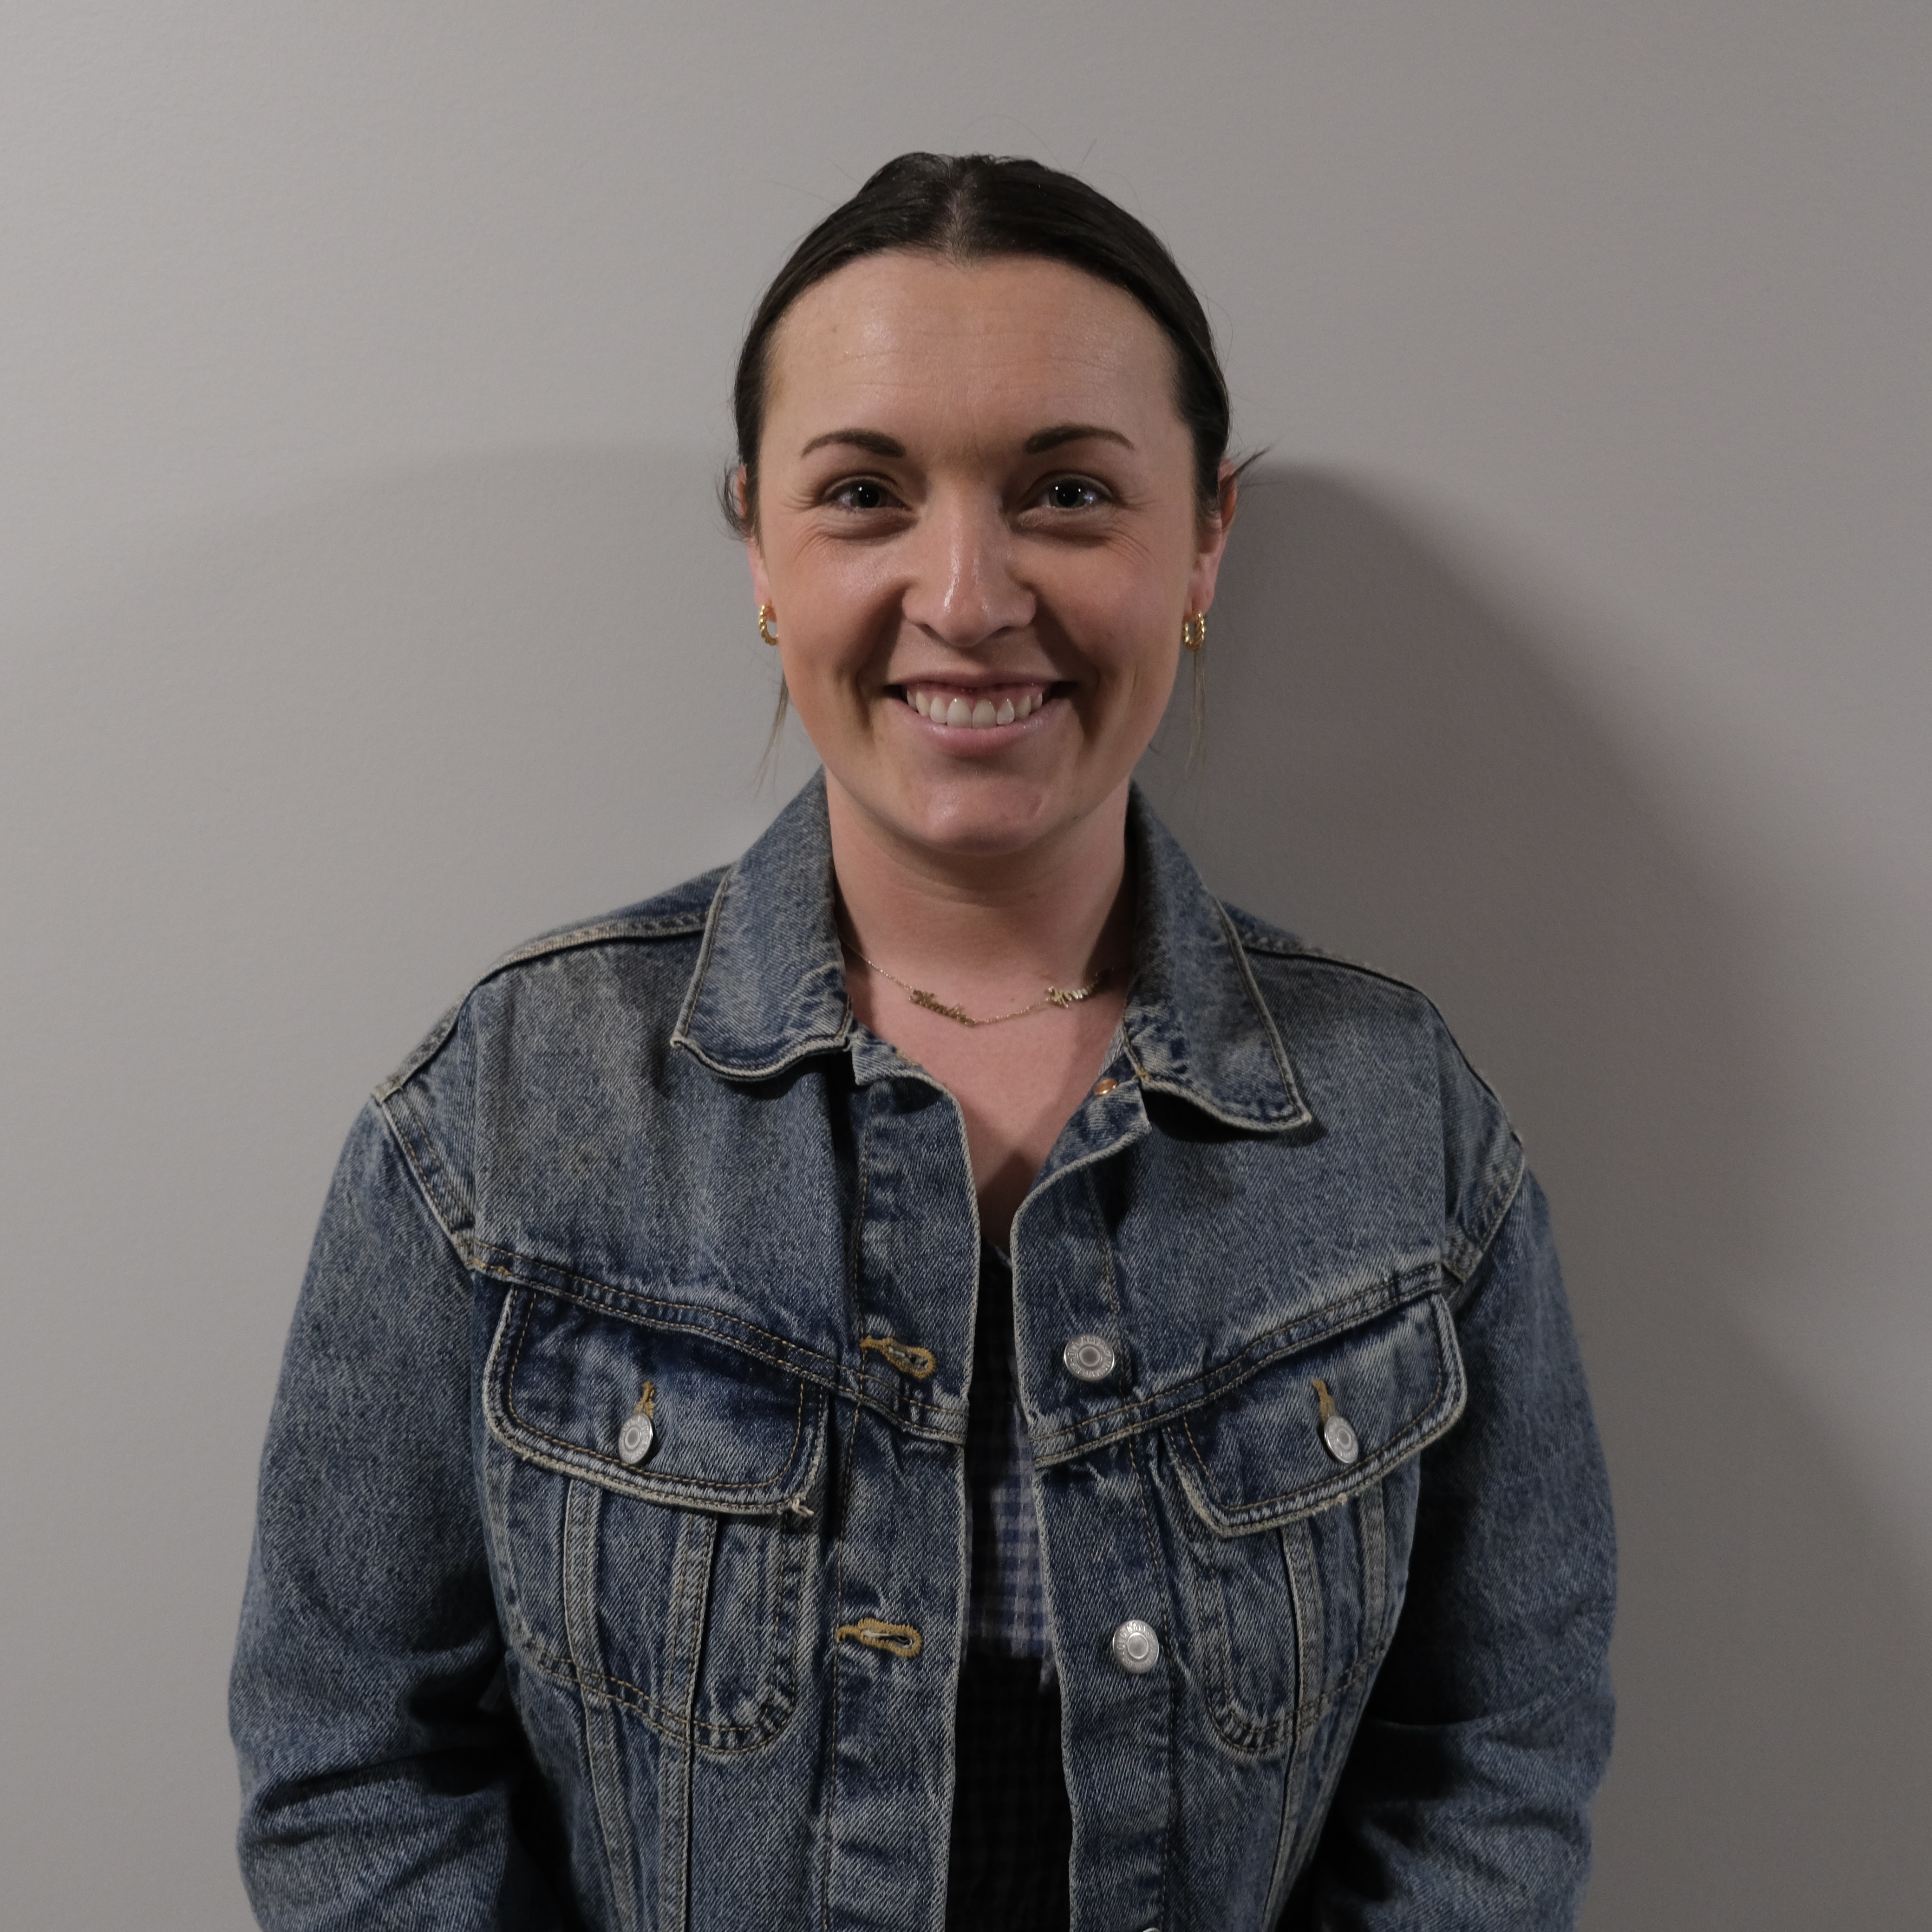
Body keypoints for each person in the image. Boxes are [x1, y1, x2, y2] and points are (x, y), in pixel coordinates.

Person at [231, 152, 1615, 1931]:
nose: (966, 595)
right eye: (865, 494)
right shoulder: (502, 1113)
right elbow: (353, 1771)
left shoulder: (1401, 1123)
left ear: (1206, 540)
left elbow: (1491, 1763)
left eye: (1069, 494)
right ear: (760, 545)